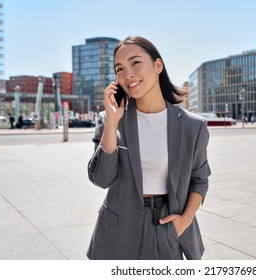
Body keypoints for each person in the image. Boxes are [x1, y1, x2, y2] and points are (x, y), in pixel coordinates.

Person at [87, 36, 211, 260]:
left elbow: (200, 180)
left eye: (135, 63)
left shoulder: (193, 126)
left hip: (168, 225)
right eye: (120, 69)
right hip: (118, 230)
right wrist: (112, 124)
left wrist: (184, 220)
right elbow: (101, 179)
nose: (128, 74)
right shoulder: (110, 120)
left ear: (157, 65)